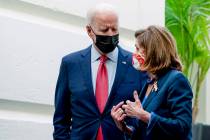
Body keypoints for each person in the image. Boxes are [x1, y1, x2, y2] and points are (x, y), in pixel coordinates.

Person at [53, 3, 146, 140]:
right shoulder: (70, 64)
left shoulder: (136, 64)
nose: (111, 34)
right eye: (104, 30)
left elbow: (145, 112)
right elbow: (61, 118)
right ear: (89, 31)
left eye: (114, 29)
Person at [111, 25, 193, 140]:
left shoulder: (176, 80)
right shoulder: (150, 81)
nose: (135, 53)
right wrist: (125, 129)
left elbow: (182, 127)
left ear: (152, 51)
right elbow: (148, 131)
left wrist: (142, 115)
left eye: (138, 48)